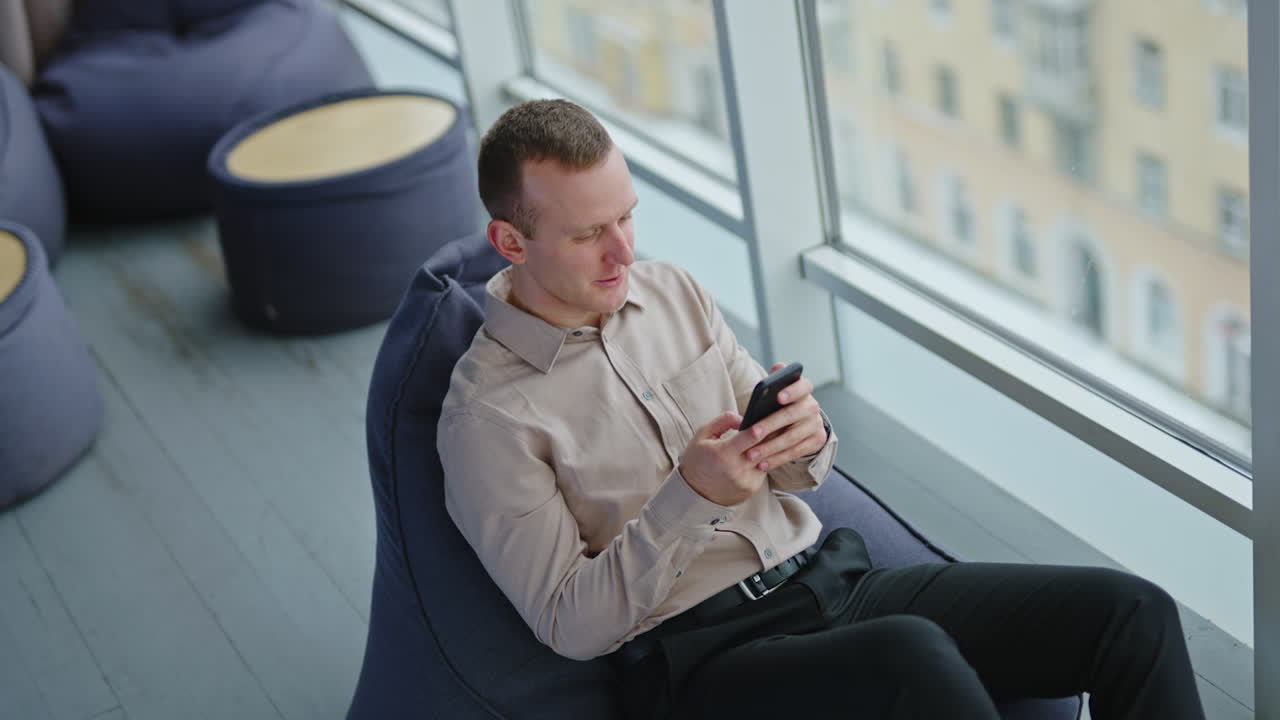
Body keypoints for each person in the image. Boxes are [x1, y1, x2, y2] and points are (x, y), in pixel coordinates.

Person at [439, 99, 1206, 720]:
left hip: (827, 584)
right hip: (703, 662)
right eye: (587, 235)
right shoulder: (488, 417)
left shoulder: (673, 292)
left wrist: (805, 438)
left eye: (626, 217)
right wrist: (692, 497)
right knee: (911, 661)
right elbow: (570, 623)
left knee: (1130, 612)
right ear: (510, 240)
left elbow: (800, 470)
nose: (625, 254)